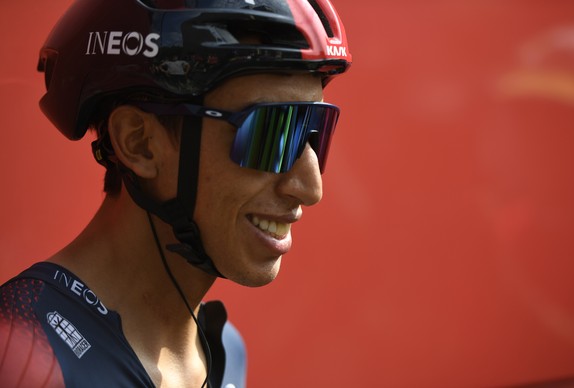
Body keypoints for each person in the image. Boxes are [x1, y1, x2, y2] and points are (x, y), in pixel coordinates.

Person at [0, 0, 351, 387]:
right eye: (273, 134)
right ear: (140, 143)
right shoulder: (18, 356)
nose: (311, 187)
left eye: (316, 131)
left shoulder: (224, 352)